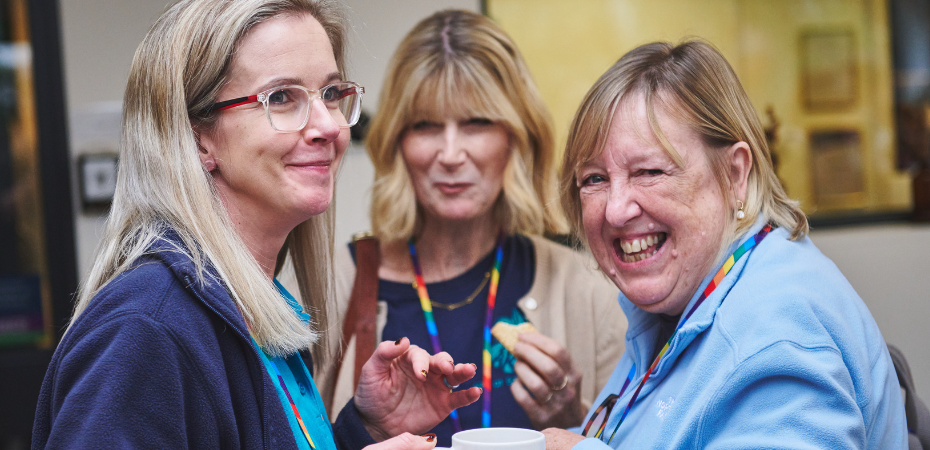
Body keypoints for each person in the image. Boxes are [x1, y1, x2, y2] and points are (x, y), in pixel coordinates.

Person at [31, 1, 480, 449]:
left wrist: (364, 429)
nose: (328, 126)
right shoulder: (146, 329)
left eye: (330, 94)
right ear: (198, 138)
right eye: (282, 97)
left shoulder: (257, 306)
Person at [543, 40, 908, 449]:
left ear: (735, 174)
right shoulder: (678, 304)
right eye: (594, 179)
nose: (615, 210)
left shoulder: (775, 330)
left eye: (648, 171)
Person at [293, 9, 627, 447]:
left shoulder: (588, 291)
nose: (451, 154)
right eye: (426, 125)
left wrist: (575, 422)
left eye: (476, 122)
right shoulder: (329, 285)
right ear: (397, 141)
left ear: (516, 134)